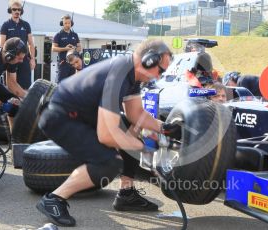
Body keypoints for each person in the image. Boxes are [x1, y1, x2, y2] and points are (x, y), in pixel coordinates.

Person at [36, 39, 181, 227]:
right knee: (108, 162)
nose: (159, 77)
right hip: (60, 118)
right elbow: (107, 136)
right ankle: (53, 199)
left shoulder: (131, 73)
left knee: (129, 126)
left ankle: (126, 194)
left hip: (81, 114)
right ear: (148, 60)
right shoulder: (119, 74)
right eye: (160, 70)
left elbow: (135, 114)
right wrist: (144, 147)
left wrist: (164, 128)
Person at [0, 0, 36, 90]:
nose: (17, 11)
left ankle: (24, 103)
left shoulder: (26, 25)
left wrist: (32, 59)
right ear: (10, 11)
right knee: (10, 87)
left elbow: (31, 43)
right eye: (14, 9)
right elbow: (1, 45)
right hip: (11, 60)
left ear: (21, 11)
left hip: (23, 60)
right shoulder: (5, 25)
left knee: (25, 86)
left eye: (19, 9)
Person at [0, 37, 28, 126]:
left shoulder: (10, 61)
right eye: (19, 58)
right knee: (5, 106)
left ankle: (14, 138)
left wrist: (30, 97)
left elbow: (12, 84)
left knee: (15, 106)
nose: (21, 61)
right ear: (9, 55)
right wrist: (2, 105)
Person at [52, 14, 81, 82]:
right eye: (65, 23)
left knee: (72, 84)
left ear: (71, 23)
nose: (67, 25)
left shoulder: (75, 35)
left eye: (69, 23)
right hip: (63, 63)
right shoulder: (58, 35)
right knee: (61, 84)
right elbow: (53, 48)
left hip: (73, 64)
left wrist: (74, 49)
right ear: (62, 24)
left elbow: (79, 47)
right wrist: (65, 48)